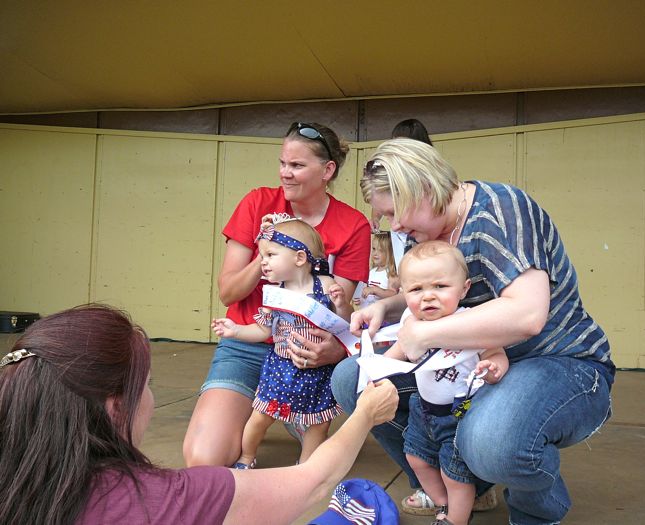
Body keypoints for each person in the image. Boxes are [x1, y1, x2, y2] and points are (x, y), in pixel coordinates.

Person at [331, 138, 615, 525]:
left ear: (425, 187)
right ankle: (464, 486)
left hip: (555, 360)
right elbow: (443, 294)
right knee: (355, 380)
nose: (395, 226)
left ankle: (536, 511)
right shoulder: (428, 230)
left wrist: (425, 336)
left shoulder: (499, 211)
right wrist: (389, 305)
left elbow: (527, 314)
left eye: (396, 212)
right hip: (471, 365)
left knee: (493, 441)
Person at [0, 304, 399, 525]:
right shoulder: (164, 499)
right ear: (115, 405)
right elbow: (311, 481)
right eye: (147, 386)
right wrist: (364, 414)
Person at [184, 122, 371, 468]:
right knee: (203, 458)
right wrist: (267, 248)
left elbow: (332, 312)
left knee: (316, 458)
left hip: (303, 352)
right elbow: (229, 292)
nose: (285, 173)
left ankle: (286, 413)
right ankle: (258, 410)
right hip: (248, 344)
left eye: (297, 166)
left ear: (327, 170)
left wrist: (328, 353)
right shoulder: (258, 202)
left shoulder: (353, 224)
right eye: (283, 163)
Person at [379, 240, 509, 525]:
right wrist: (379, 370)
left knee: (455, 474)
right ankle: (445, 505)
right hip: (423, 410)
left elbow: (495, 352)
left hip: (460, 413)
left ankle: (455, 519)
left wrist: (493, 368)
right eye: (416, 289)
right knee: (416, 459)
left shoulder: (469, 322)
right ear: (403, 292)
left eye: (440, 287)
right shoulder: (411, 321)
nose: (428, 297)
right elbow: (398, 352)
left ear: (463, 289)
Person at [212, 214, 351, 469]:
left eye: (270, 255)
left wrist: (342, 305)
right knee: (260, 417)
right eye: (262, 256)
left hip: (317, 370)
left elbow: (344, 324)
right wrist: (236, 331)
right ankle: (246, 456)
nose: (263, 262)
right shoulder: (276, 294)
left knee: (317, 424)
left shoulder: (326, 285)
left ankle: (306, 467)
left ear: (299, 258)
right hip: (281, 367)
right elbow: (264, 331)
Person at [353, 231, 399, 309]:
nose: (375, 253)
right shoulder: (371, 271)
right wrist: (360, 299)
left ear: (390, 253)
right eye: (374, 249)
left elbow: (393, 294)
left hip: (383, 315)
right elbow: (367, 293)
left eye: (380, 250)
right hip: (367, 312)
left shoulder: (390, 272)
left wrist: (375, 290)